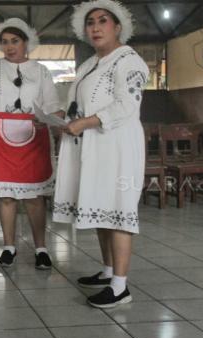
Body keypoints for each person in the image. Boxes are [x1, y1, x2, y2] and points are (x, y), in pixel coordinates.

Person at [53, 0, 148, 308]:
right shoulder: (91, 63)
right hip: (94, 143)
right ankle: (108, 271)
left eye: (102, 21)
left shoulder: (129, 61)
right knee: (100, 206)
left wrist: (85, 122)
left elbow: (125, 106)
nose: (95, 27)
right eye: (90, 22)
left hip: (117, 145)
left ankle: (120, 287)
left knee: (118, 210)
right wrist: (65, 117)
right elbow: (81, 102)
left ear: (118, 27)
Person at [0, 18, 64, 268]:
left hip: (34, 136)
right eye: (5, 42)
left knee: (35, 197)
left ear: (26, 43)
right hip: (0, 138)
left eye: (15, 41)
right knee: (6, 197)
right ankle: (9, 247)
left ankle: (41, 248)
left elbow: (53, 104)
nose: (10, 47)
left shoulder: (41, 71)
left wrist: (59, 126)